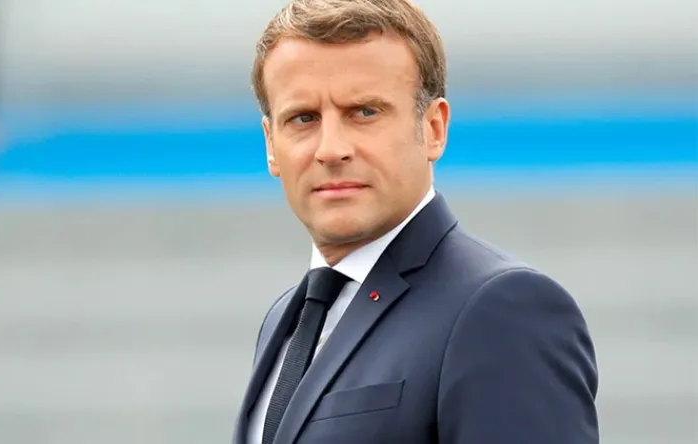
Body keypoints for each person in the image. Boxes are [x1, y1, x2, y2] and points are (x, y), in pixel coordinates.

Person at [232, 0, 599, 443]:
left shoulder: (503, 309)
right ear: (271, 145)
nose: (331, 149)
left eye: (364, 112)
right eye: (303, 118)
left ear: (434, 128)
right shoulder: (285, 320)